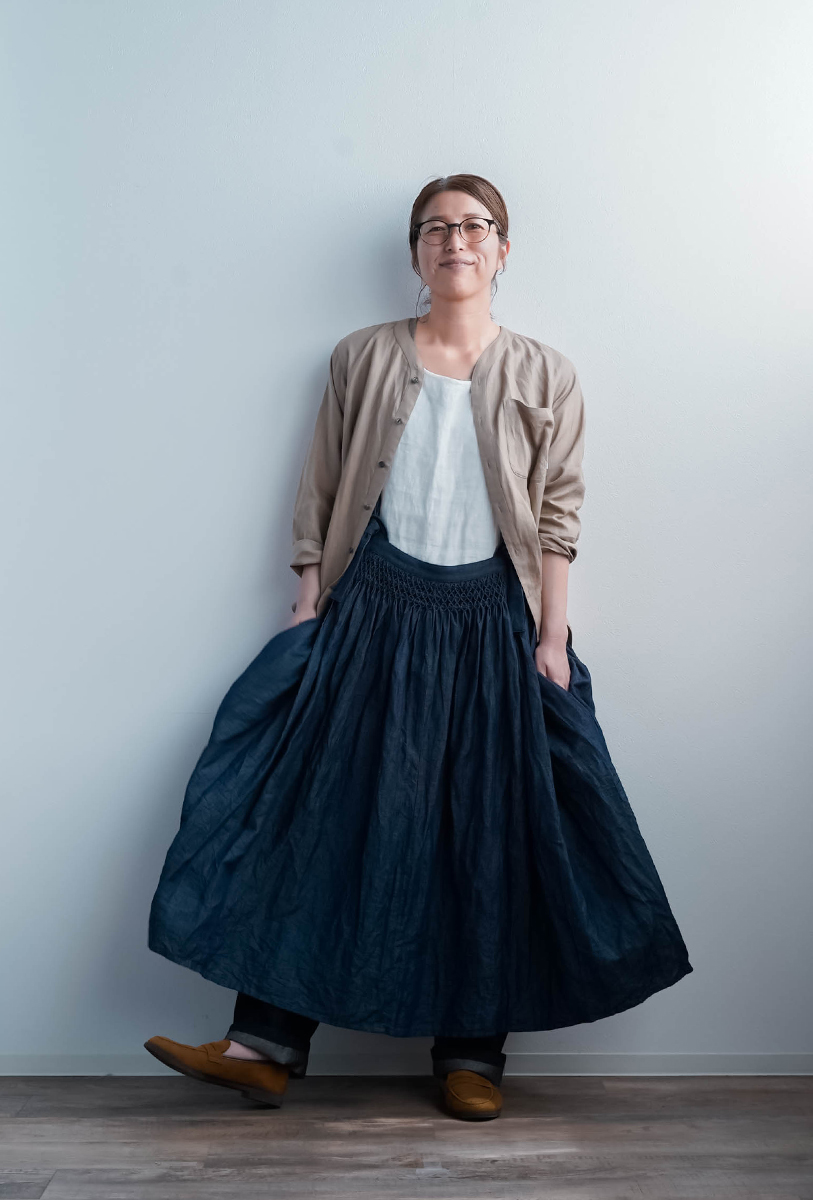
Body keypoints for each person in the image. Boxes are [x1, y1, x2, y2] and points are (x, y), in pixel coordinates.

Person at [145, 173, 693, 1121]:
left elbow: (559, 514)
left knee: (485, 829)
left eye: (475, 226)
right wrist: (309, 596)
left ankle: (472, 1055)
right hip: (372, 607)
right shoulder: (360, 356)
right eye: (436, 228)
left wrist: (551, 637)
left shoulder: (547, 374)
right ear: (415, 252)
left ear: (503, 249)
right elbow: (323, 479)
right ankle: (262, 1045)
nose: (456, 241)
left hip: (493, 621)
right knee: (322, 811)